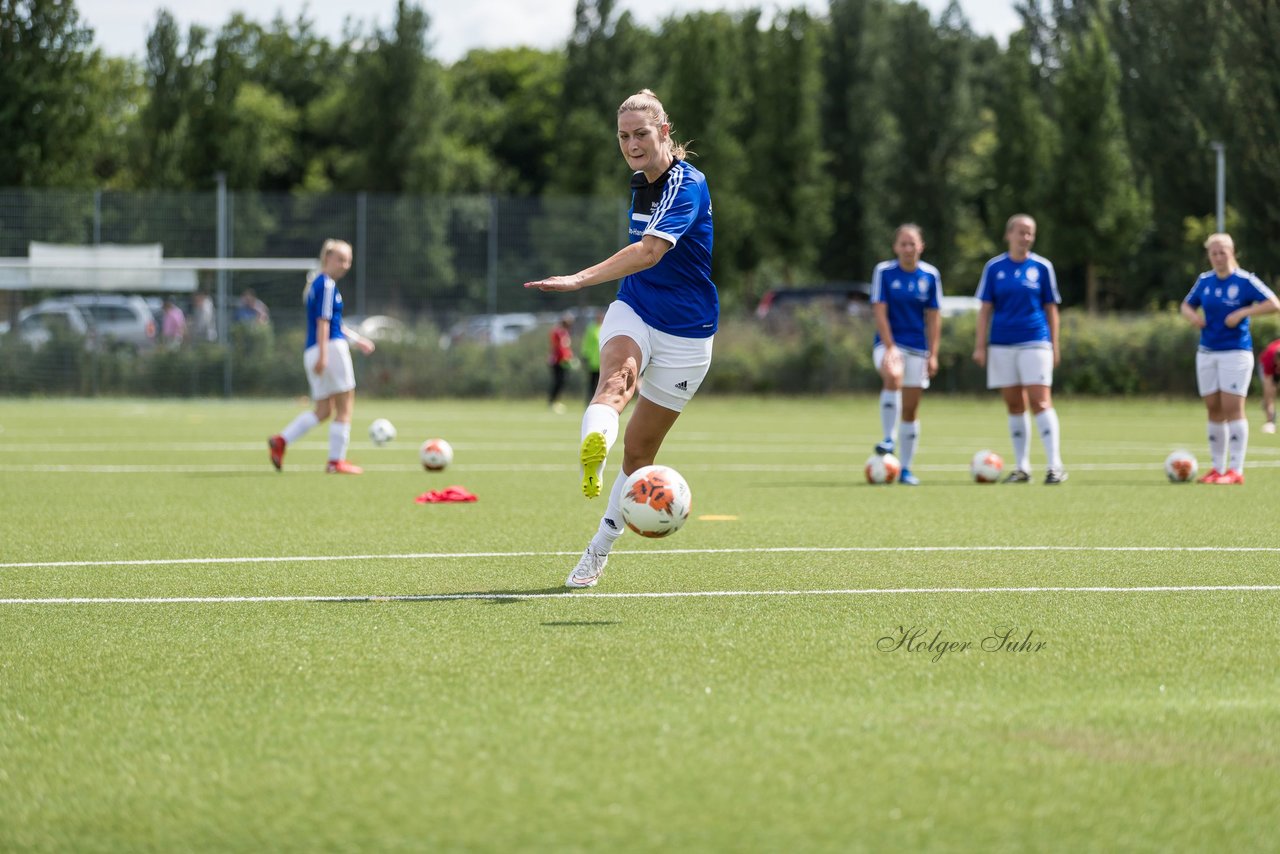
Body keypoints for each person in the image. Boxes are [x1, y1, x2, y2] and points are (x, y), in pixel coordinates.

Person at [524, 89, 716, 588]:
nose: (631, 144)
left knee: (639, 456)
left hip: (689, 334)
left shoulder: (687, 184)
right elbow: (642, 266)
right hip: (634, 309)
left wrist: (577, 279)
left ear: (664, 132)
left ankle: (598, 549)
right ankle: (595, 444)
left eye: (640, 134)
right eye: (623, 136)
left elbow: (650, 252)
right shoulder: (640, 183)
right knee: (616, 381)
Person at [972, 213, 1067, 484]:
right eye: (1021, 232)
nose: (1025, 237)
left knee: (1040, 400)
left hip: (1035, 341)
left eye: (1030, 233)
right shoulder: (994, 267)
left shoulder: (1042, 267)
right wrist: (980, 345)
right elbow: (985, 309)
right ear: (1008, 235)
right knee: (1014, 403)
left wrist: (1054, 345)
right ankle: (1022, 467)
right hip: (1002, 343)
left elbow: (1051, 309)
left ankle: (1054, 465)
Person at [268, 239, 375, 474]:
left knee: (323, 410)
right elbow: (324, 323)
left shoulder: (317, 284)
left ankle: (281, 440)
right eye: (340, 259)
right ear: (327, 259)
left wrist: (358, 341)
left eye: (348, 260)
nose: (345, 265)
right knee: (345, 405)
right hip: (329, 349)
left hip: (314, 349)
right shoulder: (326, 285)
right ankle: (336, 462)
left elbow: (335, 323)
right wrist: (324, 356)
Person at [1179, 234, 1280, 483]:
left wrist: (1244, 311)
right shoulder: (1204, 281)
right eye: (1213, 253)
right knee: (1213, 408)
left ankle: (1236, 470)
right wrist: (1192, 317)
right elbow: (1186, 305)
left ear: (1232, 252)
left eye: (1222, 252)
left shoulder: (1245, 281)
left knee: (1232, 408)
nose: (1218, 257)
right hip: (1207, 352)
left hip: (1235, 352)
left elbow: (1274, 304)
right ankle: (1217, 468)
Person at [870, 224, 942, 486]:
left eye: (912, 244)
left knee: (911, 411)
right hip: (889, 344)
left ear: (921, 246)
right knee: (893, 374)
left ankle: (906, 469)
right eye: (903, 243)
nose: (908, 249)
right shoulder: (884, 272)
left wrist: (933, 355)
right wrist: (890, 347)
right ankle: (888, 438)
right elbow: (880, 312)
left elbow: (934, 318)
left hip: (918, 349)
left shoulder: (930, 275)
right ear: (895, 247)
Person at [547, 312, 574, 414]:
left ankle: (555, 401)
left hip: (563, 360)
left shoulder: (564, 332)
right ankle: (553, 402)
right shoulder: (559, 332)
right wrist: (566, 357)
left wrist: (570, 356)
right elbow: (559, 347)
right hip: (558, 360)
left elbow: (566, 348)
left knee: (561, 382)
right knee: (558, 381)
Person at [580, 308, 602, 408]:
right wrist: (585, 355)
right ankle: (589, 401)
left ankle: (600, 402)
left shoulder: (605, 327)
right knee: (592, 383)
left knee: (602, 383)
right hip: (593, 360)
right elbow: (587, 343)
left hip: (603, 360)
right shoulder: (591, 328)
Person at [1259, 337, 1280, 434]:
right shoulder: (1269, 359)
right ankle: (1270, 422)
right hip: (1267, 368)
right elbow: (1268, 384)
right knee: (1270, 393)